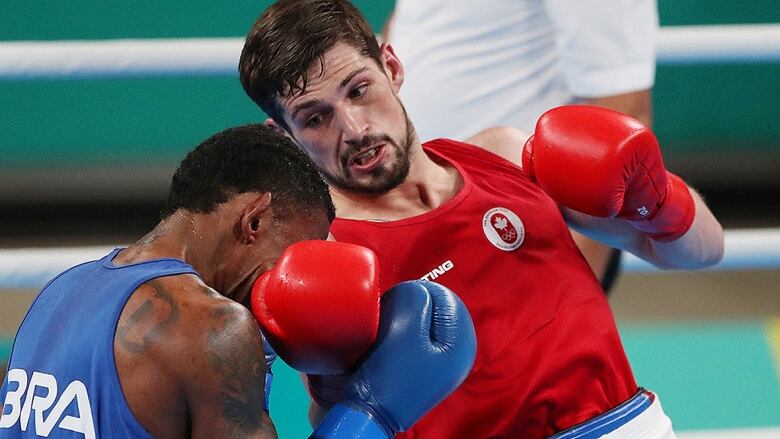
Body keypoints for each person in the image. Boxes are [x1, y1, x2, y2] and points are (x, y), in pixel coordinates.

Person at [238, 1, 725, 437]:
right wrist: (348, 393)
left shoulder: (507, 156)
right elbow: (333, 422)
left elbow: (701, 251)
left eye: (359, 90)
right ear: (284, 135)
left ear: (392, 66)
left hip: (626, 425)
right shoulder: (325, 256)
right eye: (315, 118)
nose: (355, 128)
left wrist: (659, 199)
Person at [0, 124, 477, 438]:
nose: (293, 280)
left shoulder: (59, 292)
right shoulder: (212, 326)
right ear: (255, 219)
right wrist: (372, 410)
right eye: (295, 253)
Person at [384, 0, 659, 291]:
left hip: (517, 230)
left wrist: (574, 292)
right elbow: (411, 23)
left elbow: (621, 111)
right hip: (417, 216)